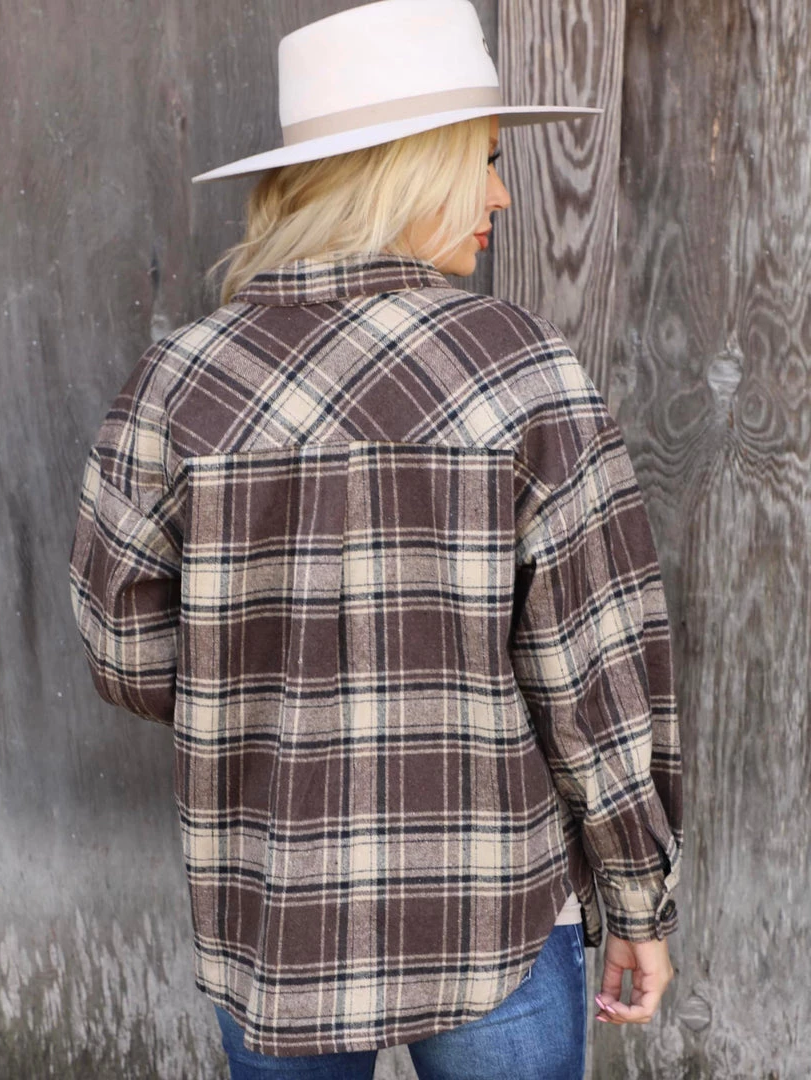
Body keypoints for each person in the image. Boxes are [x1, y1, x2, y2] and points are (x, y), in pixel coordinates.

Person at [68, 1, 682, 1077]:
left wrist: (269, 685)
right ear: (407, 171)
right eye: (482, 162)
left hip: (278, 914)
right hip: (491, 906)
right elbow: (600, 672)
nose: (499, 194)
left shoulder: (182, 382)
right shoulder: (522, 371)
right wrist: (639, 900)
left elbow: (124, 650)